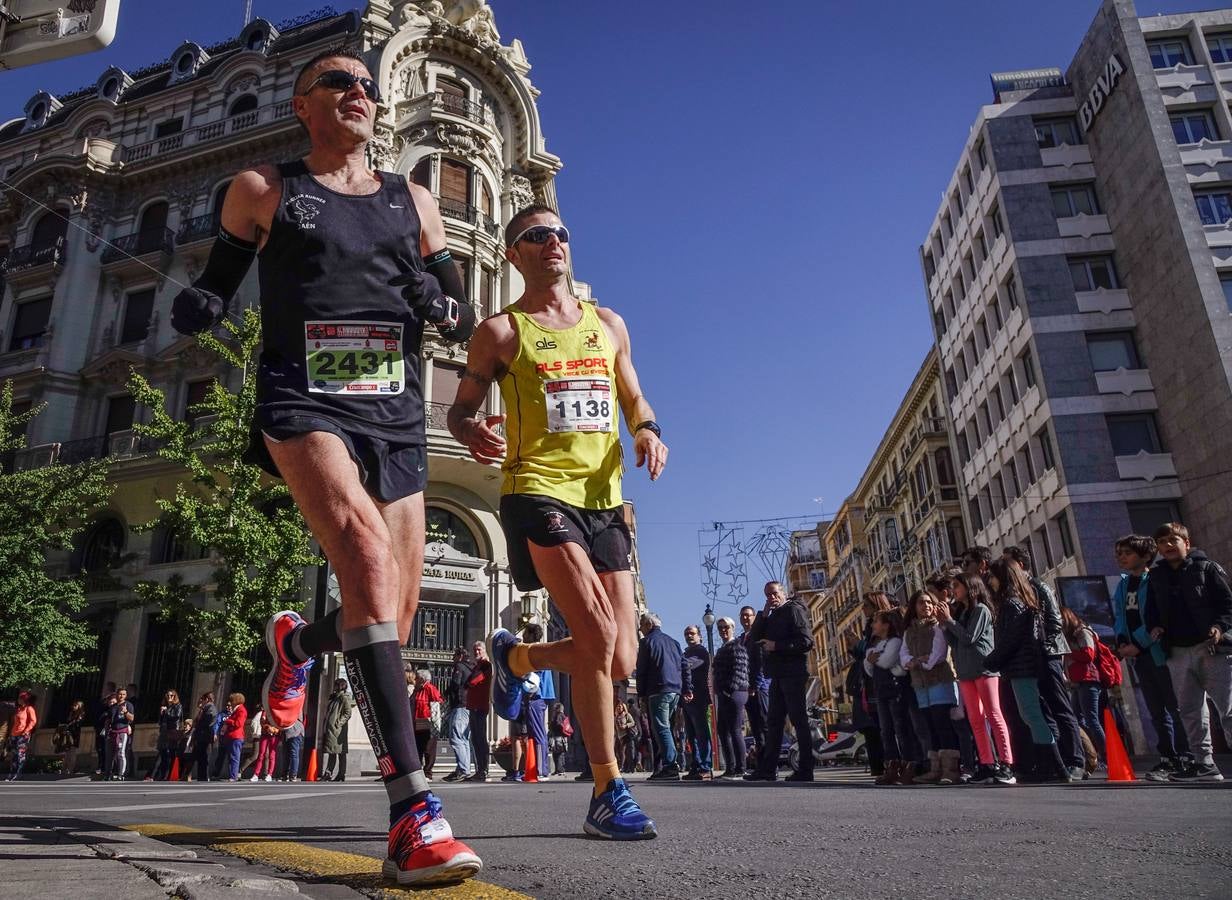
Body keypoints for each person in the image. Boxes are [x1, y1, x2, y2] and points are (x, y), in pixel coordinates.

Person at [170, 46, 479, 884]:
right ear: (304, 105)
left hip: (395, 410)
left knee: (393, 615)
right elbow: (218, 279)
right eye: (339, 82)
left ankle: (297, 643)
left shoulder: (415, 200)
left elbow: (460, 311)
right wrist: (200, 302)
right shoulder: (264, 189)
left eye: (367, 87)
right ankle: (415, 815)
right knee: (367, 564)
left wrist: (438, 302)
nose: (359, 94)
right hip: (302, 398)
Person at [448, 203, 667, 839]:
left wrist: (648, 429)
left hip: (605, 499)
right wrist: (470, 430)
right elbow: (460, 409)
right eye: (536, 236)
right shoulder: (501, 333)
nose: (553, 243)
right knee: (597, 635)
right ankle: (608, 789)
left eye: (561, 233)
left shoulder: (608, 324)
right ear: (513, 254)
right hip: (538, 490)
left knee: (622, 659)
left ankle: (519, 660)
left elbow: (631, 393)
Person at [1144, 522, 1232, 783]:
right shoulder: (1156, 576)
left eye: (1173, 540)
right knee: (1190, 711)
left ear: (1187, 543)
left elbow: (1227, 604)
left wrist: (1218, 627)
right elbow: (1151, 611)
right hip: (1177, 652)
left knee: (1227, 709)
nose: (1168, 546)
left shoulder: (1206, 568)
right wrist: (1155, 627)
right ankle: (1204, 765)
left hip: (1212, 649)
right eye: (1162, 542)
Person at [983, 559, 1072, 783]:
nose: (990, 582)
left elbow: (1010, 639)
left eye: (992, 577)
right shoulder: (1018, 602)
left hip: (1022, 666)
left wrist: (991, 661)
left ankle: (1055, 766)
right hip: (1021, 665)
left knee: (1032, 714)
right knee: (1031, 714)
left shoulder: (1012, 604)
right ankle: (1050, 765)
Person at [1111, 533, 1190, 780]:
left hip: (1158, 652)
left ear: (1145, 556)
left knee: (1173, 705)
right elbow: (1120, 617)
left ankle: (1186, 755)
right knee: (1155, 709)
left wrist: (1139, 642)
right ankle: (1167, 756)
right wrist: (1123, 642)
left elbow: (1156, 619)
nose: (1122, 558)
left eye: (1128, 553)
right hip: (1137, 656)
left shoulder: (1154, 580)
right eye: (1120, 553)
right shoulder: (1123, 585)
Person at [1003, 545, 1084, 780]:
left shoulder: (1038, 586)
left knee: (1060, 707)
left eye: (1009, 564)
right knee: (1040, 711)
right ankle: (1053, 760)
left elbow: (1054, 620)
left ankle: (1076, 760)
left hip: (1048, 655)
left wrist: (1042, 645)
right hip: (1030, 659)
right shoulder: (1015, 593)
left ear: (1021, 564)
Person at [938, 574, 1014, 785]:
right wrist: (945, 624)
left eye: (957, 586)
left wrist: (950, 620)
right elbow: (955, 641)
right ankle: (987, 763)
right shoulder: (962, 613)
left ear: (970, 587)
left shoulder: (981, 610)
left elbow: (969, 637)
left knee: (993, 714)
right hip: (965, 672)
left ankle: (1007, 763)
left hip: (984, 669)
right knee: (975, 719)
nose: (954, 590)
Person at [745, 581, 815, 783]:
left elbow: (806, 641)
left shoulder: (794, 610)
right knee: (774, 723)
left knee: (798, 720)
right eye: (767, 595)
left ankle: (805, 769)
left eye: (774, 593)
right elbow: (755, 637)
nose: (771, 598)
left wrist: (777, 646)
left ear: (783, 593)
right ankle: (767, 768)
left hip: (793, 673)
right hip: (777, 674)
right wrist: (764, 614)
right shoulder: (772, 614)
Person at [900, 591, 961, 785]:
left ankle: (950, 769)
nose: (925, 606)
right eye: (921, 603)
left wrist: (920, 663)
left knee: (942, 722)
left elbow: (939, 654)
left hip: (939, 681)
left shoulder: (938, 627)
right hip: (920, 685)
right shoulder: (909, 631)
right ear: (914, 607)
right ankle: (935, 769)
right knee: (929, 725)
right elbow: (903, 655)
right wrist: (914, 662)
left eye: (928, 602)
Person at [635, 613, 684, 781]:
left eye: (641, 624)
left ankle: (670, 766)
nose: (640, 628)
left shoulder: (646, 642)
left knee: (661, 728)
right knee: (667, 728)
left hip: (658, 689)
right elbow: (683, 666)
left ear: (649, 625)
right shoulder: (674, 642)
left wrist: (641, 695)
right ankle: (667, 765)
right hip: (674, 689)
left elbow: (641, 670)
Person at [864, 611, 910, 786]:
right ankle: (891, 766)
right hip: (881, 692)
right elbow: (868, 668)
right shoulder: (877, 645)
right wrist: (871, 660)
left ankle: (908, 765)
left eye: (875, 621)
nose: (872, 625)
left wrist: (873, 659)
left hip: (895, 691)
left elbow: (885, 662)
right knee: (886, 731)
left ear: (886, 625)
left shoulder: (895, 642)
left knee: (900, 728)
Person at [712, 616, 749, 779]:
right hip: (724, 694)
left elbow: (739, 669)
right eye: (720, 627)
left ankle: (741, 768)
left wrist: (729, 690)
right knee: (722, 730)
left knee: (734, 730)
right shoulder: (723, 648)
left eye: (725, 627)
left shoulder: (737, 646)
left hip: (735, 693)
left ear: (732, 628)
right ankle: (731, 767)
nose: (723, 630)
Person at [519, 623, 555, 780]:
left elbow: (533, 675)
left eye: (525, 633)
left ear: (531, 635)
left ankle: (541, 770)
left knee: (539, 734)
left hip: (536, 697)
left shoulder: (535, 651)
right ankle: (535, 769)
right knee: (535, 733)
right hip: (537, 697)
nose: (523, 636)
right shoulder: (538, 650)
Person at [680, 624, 713, 781]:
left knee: (701, 733)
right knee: (691, 734)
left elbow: (686, 666)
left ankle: (705, 767)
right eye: (686, 633)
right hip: (686, 698)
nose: (689, 636)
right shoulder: (686, 653)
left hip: (698, 697)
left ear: (699, 636)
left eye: (692, 633)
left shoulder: (700, 652)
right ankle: (696, 765)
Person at [739, 605, 770, 767]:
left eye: (749, 615)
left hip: (759, 688)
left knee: (764, 726)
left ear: (754, 618)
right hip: (747, 689)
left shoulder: (758, 636)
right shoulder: (741, 639)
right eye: (743, 616)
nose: (745, 618)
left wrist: (755, 685)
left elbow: (760, 661)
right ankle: (762, 765)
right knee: (756, 728)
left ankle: (768, 765)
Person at [442, 647, 473, 783]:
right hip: (469, 706)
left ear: (460, 656)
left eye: (454, 655)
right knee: (464, 739)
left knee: (456, 737)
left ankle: (462, 769)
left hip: (460, 705)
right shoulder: (471, 667)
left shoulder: (459, 667)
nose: (452, 658)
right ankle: (464, 768)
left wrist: (447, 692)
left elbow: (456, 683)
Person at [465, 641, 491, 782]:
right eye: (475, 650)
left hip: (480, 705)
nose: (476, 652)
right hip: (473, 705)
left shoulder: (486, 665)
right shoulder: (478, 666)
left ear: (484, 650)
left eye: (479, 649)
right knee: (475, 739)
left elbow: (473, 681)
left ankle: (483, 769)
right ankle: (479, 769)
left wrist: (469, 682)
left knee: (480, 738)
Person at [410, 669, 442, 781]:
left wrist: (435, 723)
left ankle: (428, 773)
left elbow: (436, 705)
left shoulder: (430, 688)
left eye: (417, 678)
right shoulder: (416, 690)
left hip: (428, 724)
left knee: (429, 749)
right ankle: (418, 772)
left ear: (422, 679)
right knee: (418, 749)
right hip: (417, 724)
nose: (415, 680)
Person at [322, 678, 352, 782]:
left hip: (338, 730)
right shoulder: (335, 697)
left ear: (340, 686)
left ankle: (339, 774)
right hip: (332, 729)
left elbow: (348, 712)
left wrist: (338, 723)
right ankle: (329, 773)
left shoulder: (344, 697)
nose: (333, 687)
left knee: (340, 753)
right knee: (332, 751)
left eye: (335, 685)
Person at [152, 690, 184, 781]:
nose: (169, 697)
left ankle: (168, 774)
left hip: (172, 731)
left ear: (175, 696)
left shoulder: (178, 706)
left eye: (172, 695)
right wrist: (162, 713)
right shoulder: (165, 706)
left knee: (170, 753)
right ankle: (161, 774)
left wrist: (167, 711)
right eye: (168, 695)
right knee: (162, 752)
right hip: (164, 731)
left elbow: (176, 716)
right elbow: (160, 721)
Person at [6, 692, 38, 781]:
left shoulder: (29, 709)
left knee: (20, 755)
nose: (18, 699)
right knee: (13, 755)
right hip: (14, 734)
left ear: (24, 699)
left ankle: (18, 774)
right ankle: (11, 774)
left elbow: (33, 721)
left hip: (23, 735)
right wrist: (11, 734)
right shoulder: (19, 709)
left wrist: (26, 731)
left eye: (20, 698)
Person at [106, 687, 135, 781]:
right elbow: (108, 720)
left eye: (123, 694)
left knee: (121, 753)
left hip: (122, 731)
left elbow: (131, 718)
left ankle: (121, 774)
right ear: (117, 695)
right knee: (110, 754)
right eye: (120, 694)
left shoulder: (128, 705)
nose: (121, 696)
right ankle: (109, 773)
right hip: (112, 732)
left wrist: (126, 712)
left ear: (126, 696)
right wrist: (107, 732)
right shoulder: (113, 707)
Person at [220, 693, 248, 782]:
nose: (230, 703)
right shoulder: (236, 710)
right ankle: (232, 775)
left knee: (235, 757)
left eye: (232, 700)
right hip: (232, 736)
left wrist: (228, 720)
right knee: (231, 757)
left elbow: (239, 723)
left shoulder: (241, 710)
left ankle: (233, 776)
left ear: (236, 701)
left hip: (236, 736)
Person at [191, 692, 217, 782]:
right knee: (201, 757)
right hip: (202, 736)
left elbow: (208, 722)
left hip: (205, 736)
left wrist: (199, 725)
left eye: (202, 699)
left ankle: (204, 777)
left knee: (205, 757)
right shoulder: (205, 708)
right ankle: (201, 776)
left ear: (207, 699)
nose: (201, 701)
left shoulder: (210, 708)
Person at [56, 700, 86, 776]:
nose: (73, 707)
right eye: (73, 705)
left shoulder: (81, 715)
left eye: (75, 705)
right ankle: (64, 769)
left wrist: (70, 724)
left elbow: (77, 724)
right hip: (68, 734)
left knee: (72, 752)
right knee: (67, 753)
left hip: (74, 735)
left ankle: (70, 769)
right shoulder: (71, 714)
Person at [251, 716, 280, 783]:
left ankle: (269, 774)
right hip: (265, 733)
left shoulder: (278, 710)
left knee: (272, 755)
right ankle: (256, 774)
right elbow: (262, 722)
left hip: (275, 734)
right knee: (261, 754)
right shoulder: (266, 710)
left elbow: (281, 722)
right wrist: (267, 727)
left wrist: (276, 729)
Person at [548, 701, 570, 775]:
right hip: (562, 737)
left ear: (557, 709)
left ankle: (559, 769)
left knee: (557, 754)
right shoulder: (563, 715)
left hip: (558, 737)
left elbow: (558, 723)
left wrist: (551, 725)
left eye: (555, 709)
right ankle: (560, 769)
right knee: (560, 753)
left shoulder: (559, 715)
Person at [281, 716, 305, 782]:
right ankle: (286, 775)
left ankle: (293, 775)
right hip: (287, 731)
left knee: (293, 754)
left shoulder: (296, 707)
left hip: (295, 731)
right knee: (286, 754)